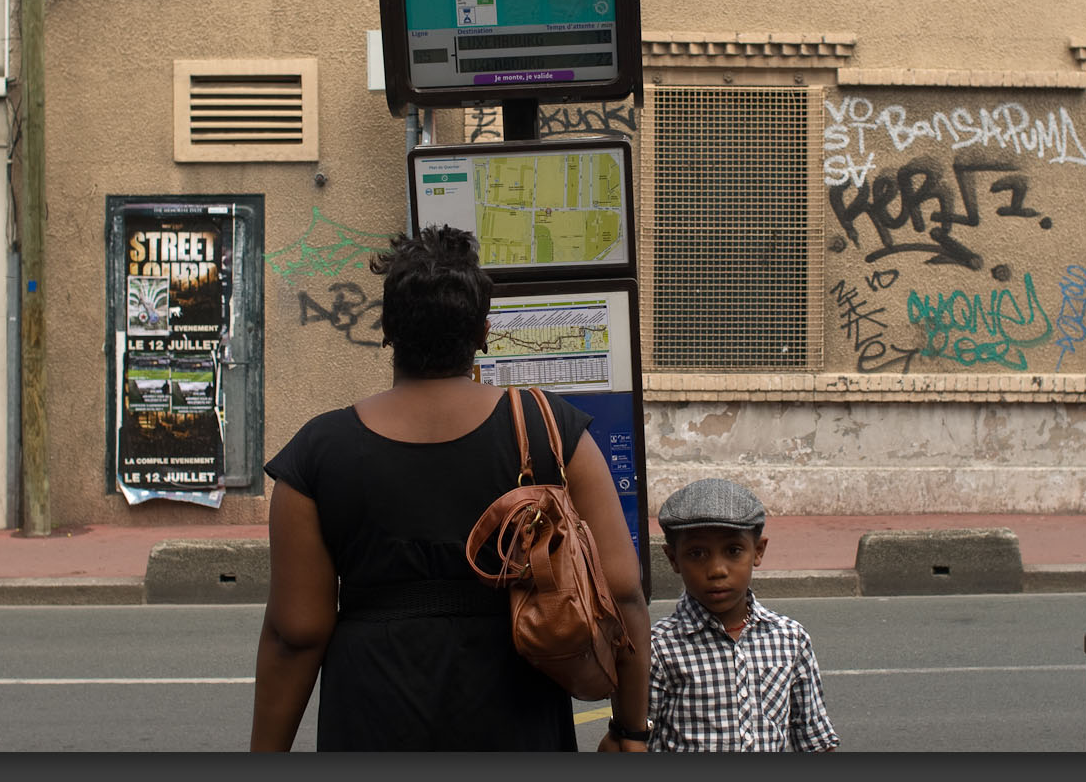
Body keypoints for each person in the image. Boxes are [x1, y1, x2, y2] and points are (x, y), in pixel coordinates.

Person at [249, 225, 651, 751]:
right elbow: (623, 592)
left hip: (370, 717)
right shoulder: (549, 429)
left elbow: (295, 634)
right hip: (518, 718)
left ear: (388, 330)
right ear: (483, 332)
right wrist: (629, 731)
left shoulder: (317, 452)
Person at [639, 477, 839, 752]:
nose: (717, 569)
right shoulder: (657, 648)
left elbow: (814, 739)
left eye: (733, 551)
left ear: (758, 551)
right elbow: (637, 740)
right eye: (697, 553)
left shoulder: (790, 639)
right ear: (673, 559)